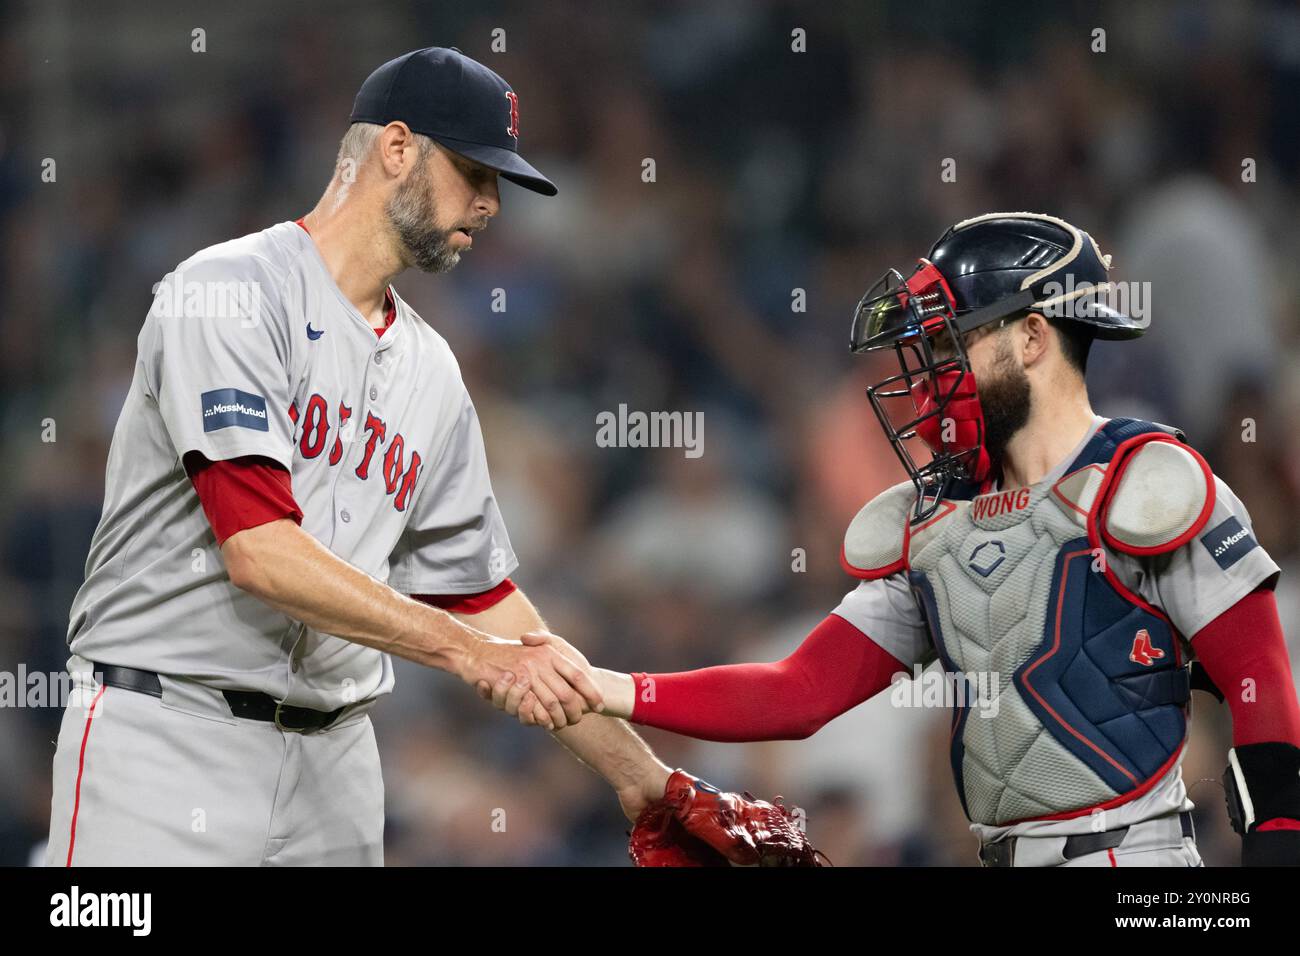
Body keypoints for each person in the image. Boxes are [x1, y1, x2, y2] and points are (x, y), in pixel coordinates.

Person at [491, 213, 1300, 867]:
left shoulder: (1151, 480)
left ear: (1031, 338)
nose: (925, 375)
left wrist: (1274, 851)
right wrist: (604, 686)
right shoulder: (932, 520)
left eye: (951, 343)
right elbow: (796, 692)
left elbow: (1261, 685)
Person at [46, 47, 673, 867]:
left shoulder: (434, 371)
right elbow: (260, 552)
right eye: (475, 171)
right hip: (164, 740)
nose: (489, 204)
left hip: (335, 766)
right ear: (398, 148)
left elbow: (486, 602)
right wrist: (464, 652)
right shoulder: (228, 291)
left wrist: (650, 785)